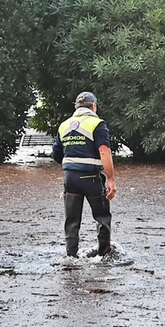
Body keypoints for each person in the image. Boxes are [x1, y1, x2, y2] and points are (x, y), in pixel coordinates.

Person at [51, 91, 117, 257]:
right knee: (102, 217)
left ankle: (71, 256)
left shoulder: (64, 125)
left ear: (76, 107)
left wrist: (70, 168)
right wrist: (111, 179)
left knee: (72, 221)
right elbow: (104, 151)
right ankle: (104, 254)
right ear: (93, 106)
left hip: (70, 178)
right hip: (91, 178)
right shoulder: (97, 124)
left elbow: (56, 155)